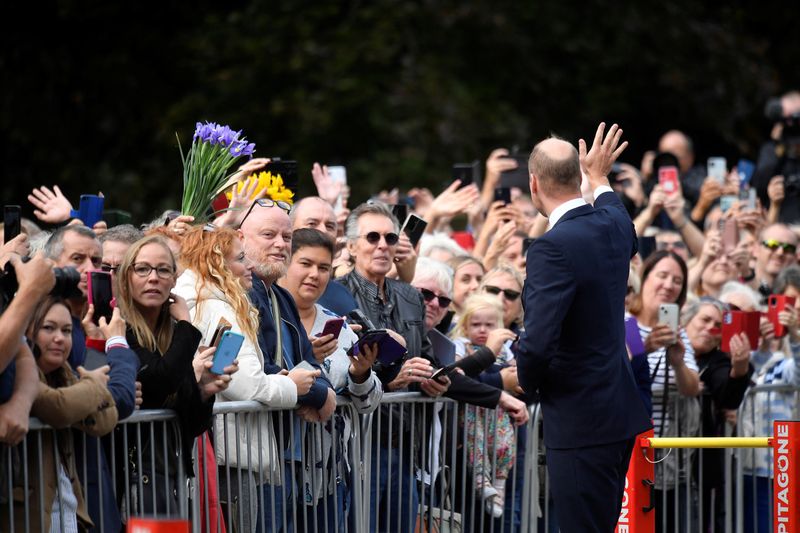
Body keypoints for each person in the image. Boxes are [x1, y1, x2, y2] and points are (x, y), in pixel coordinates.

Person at [516, 123, 651, 533]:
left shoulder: (551, 247)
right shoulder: (613, 225)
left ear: (533, 184)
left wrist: (530, 384)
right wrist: (599, 177)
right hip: (615, 415)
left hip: (579, 419)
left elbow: (537, 343)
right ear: (578, 178)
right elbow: (617, 215)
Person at [175, 226, 307, 532]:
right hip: (230, 457)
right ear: (216, 264)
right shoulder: (220, 310)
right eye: (240, 257)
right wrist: (293, 386)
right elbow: (242, 382)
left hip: (219, 452)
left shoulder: (196, 304)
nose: (249, 265)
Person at [116, 234, 236, 518]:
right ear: (126, 277)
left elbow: (192, 424)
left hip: (165, 479)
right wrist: (186, 324)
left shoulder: (172, 334)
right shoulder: (120, 327)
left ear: (174, 279)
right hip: (127, 478)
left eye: (162, 270)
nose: (153, 278)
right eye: (142, 269)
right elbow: (161, 381)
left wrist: (204, 391)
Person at [277, 227, 383, 530]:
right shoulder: (266, 317)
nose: (315, 275)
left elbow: (368, 402)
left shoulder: (338, 325)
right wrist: (309, 357)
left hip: (330, 471)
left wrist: (360, 373)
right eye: (306, 264)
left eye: (324, 268)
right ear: (286, 262)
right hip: (280, 466)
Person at [5, 297, 117, 532]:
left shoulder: (65, 374)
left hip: (69, 513)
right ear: (27, 332)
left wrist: (84, 392)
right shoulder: (19, 373)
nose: (59, 338)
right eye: (48, 328)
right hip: (30, 519)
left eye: (66, 330)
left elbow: (106, 419)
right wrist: (94, 384)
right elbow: (58, 408)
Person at [681, 297, 753, 532]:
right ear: (686, 321)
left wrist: (739, 367)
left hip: (700, 465)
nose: (710, 327)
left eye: (718, 325)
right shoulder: (659, 344)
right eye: (704, 319)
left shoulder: (718, 360)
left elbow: (727, 395)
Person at [449, 293, 518, 517]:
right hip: (470, 410)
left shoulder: (505, 349)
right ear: (465, 324)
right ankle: (482, 481)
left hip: (497, 411)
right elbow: (456, 371)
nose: (482, 330)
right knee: (475, 441)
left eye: (489, 325)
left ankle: (498, 486)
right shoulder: (460, 344)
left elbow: (516, 370)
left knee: (505, 442)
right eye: (476, 324)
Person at [43, 225, 103, 368]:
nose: (90, 269)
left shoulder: (103, 321)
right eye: (77, 258)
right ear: (51, 265)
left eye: (96, 261)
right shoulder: (39, 321)